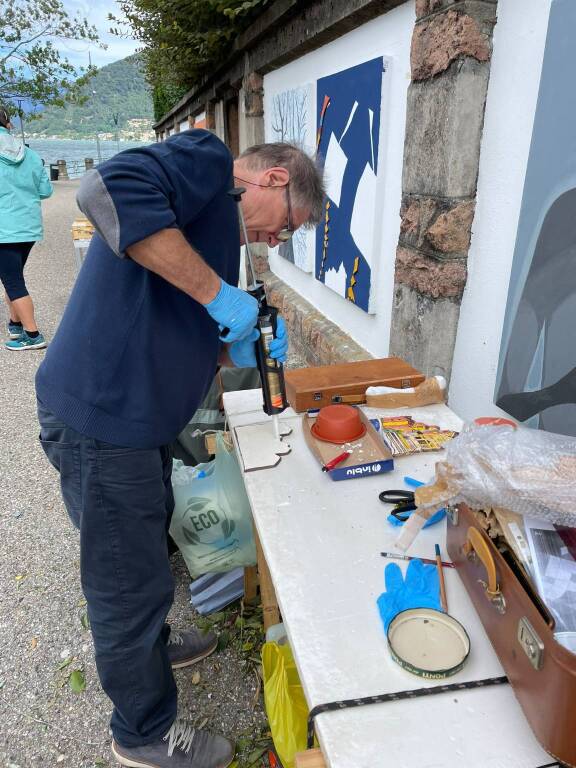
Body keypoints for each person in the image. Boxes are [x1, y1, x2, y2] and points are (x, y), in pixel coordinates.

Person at [35, 130, 324, 768]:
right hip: (103, 419)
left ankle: (153, 645)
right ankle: (142, 733)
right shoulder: (209, 163)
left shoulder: (210, 228)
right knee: (125, 584)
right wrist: (220, 297)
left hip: (138, 424)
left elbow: (177, 317)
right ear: (275, 179)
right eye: (288, 225)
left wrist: (234, 345)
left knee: (143, 553)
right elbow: (103, 188)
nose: (278, 241)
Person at [0, 106, 52, 350]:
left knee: (12, 281)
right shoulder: (29, 153)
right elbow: (45, 191)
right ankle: (15, 323)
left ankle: (33, 336)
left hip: (3, 230)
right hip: (28, 227)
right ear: (8, 124)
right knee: (14, 276)